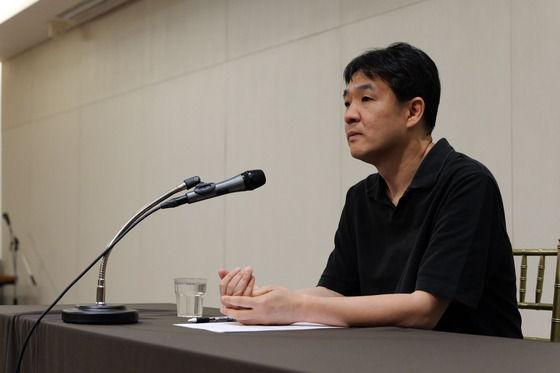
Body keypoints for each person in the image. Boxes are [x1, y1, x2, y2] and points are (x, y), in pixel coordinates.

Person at [218, 42, 523, 338]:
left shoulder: (467, 183)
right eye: (347, 102)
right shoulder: (360, 197)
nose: (350, 114)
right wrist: (262, 300)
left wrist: (296, 306)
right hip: (393, 354)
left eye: (366, 99)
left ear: (413, 112)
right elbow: (335, 291)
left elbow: (425, 310)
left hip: (471, 359)